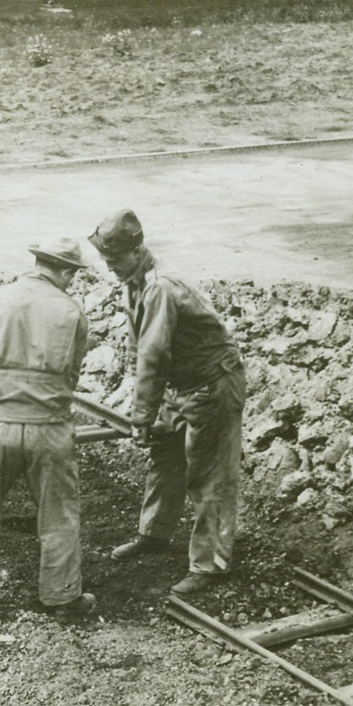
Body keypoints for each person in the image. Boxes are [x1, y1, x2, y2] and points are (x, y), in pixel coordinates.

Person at [89, 209, 246, 597]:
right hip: (180, 384)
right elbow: (136, 344)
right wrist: (141, 405)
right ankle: (154, 535)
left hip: (211, 383)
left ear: (136, 250)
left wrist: (141, 415)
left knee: (207, 473)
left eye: (113, 260)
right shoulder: (133, 279)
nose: (108, 268)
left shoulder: (161, 287)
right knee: (165, 453)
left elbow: (154, 354)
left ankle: (210, 564)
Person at [0, 237, 96, 626]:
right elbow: (72, 372)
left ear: (37, 262)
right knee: (59, 516)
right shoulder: (72, 312)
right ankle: (61, 596)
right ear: (65, 271)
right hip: (48, 429)